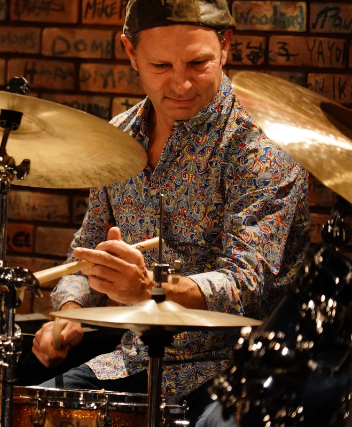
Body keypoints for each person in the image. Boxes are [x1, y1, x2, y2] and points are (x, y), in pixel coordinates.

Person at [31, 0, 311, 425]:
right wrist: (68, 311)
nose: (181, 84)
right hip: (135, 360)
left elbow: (247, 282)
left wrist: (152, 288)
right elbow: (86, 254)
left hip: (239, 370)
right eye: (161, 66)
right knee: (34, 412)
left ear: (225, 45)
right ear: (131, 53)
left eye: (198, 63)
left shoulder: (262, 145)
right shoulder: (119, 138)